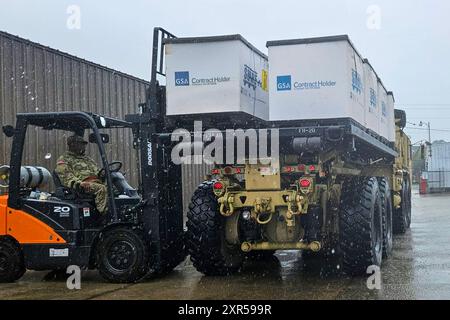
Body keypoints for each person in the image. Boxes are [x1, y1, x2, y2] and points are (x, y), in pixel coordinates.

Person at [55, 134, 108, 214]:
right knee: (101, 189)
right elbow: (66, 177)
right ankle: (104, 215)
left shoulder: (87, 159)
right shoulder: (64, 159)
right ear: (73, 144)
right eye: (81, 144)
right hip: (82, 186)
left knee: (115, 189)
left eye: (84, 144)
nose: (84, 146)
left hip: (95, 182)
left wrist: (106, 174)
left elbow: (98, 171)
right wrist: (80, 183)